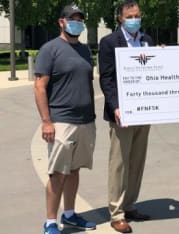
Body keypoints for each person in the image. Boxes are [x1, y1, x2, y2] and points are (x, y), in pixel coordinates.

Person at [34, 3, 96, 234]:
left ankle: (69, 214)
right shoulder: (50, 49)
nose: (77, 22)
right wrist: (46, 121)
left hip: (85, 121)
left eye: (80, 19)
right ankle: (50, 221)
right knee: (58, 173)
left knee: (75, 170)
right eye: (73, 18)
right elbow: (40, 86)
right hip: (61, 121)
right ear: (62, 22)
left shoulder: (85, 49)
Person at [98, 0, 154, 232]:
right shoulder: (109, 42)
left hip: (145, 112)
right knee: (119, 164)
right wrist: (115, 107)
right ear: (120, 18)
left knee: (137, 162)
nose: (135, 19)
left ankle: (130, 204)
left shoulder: (147, 40)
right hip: (122, 113)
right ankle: (117, 212)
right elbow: (107, 79)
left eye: (138, 15)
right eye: (130, 15)